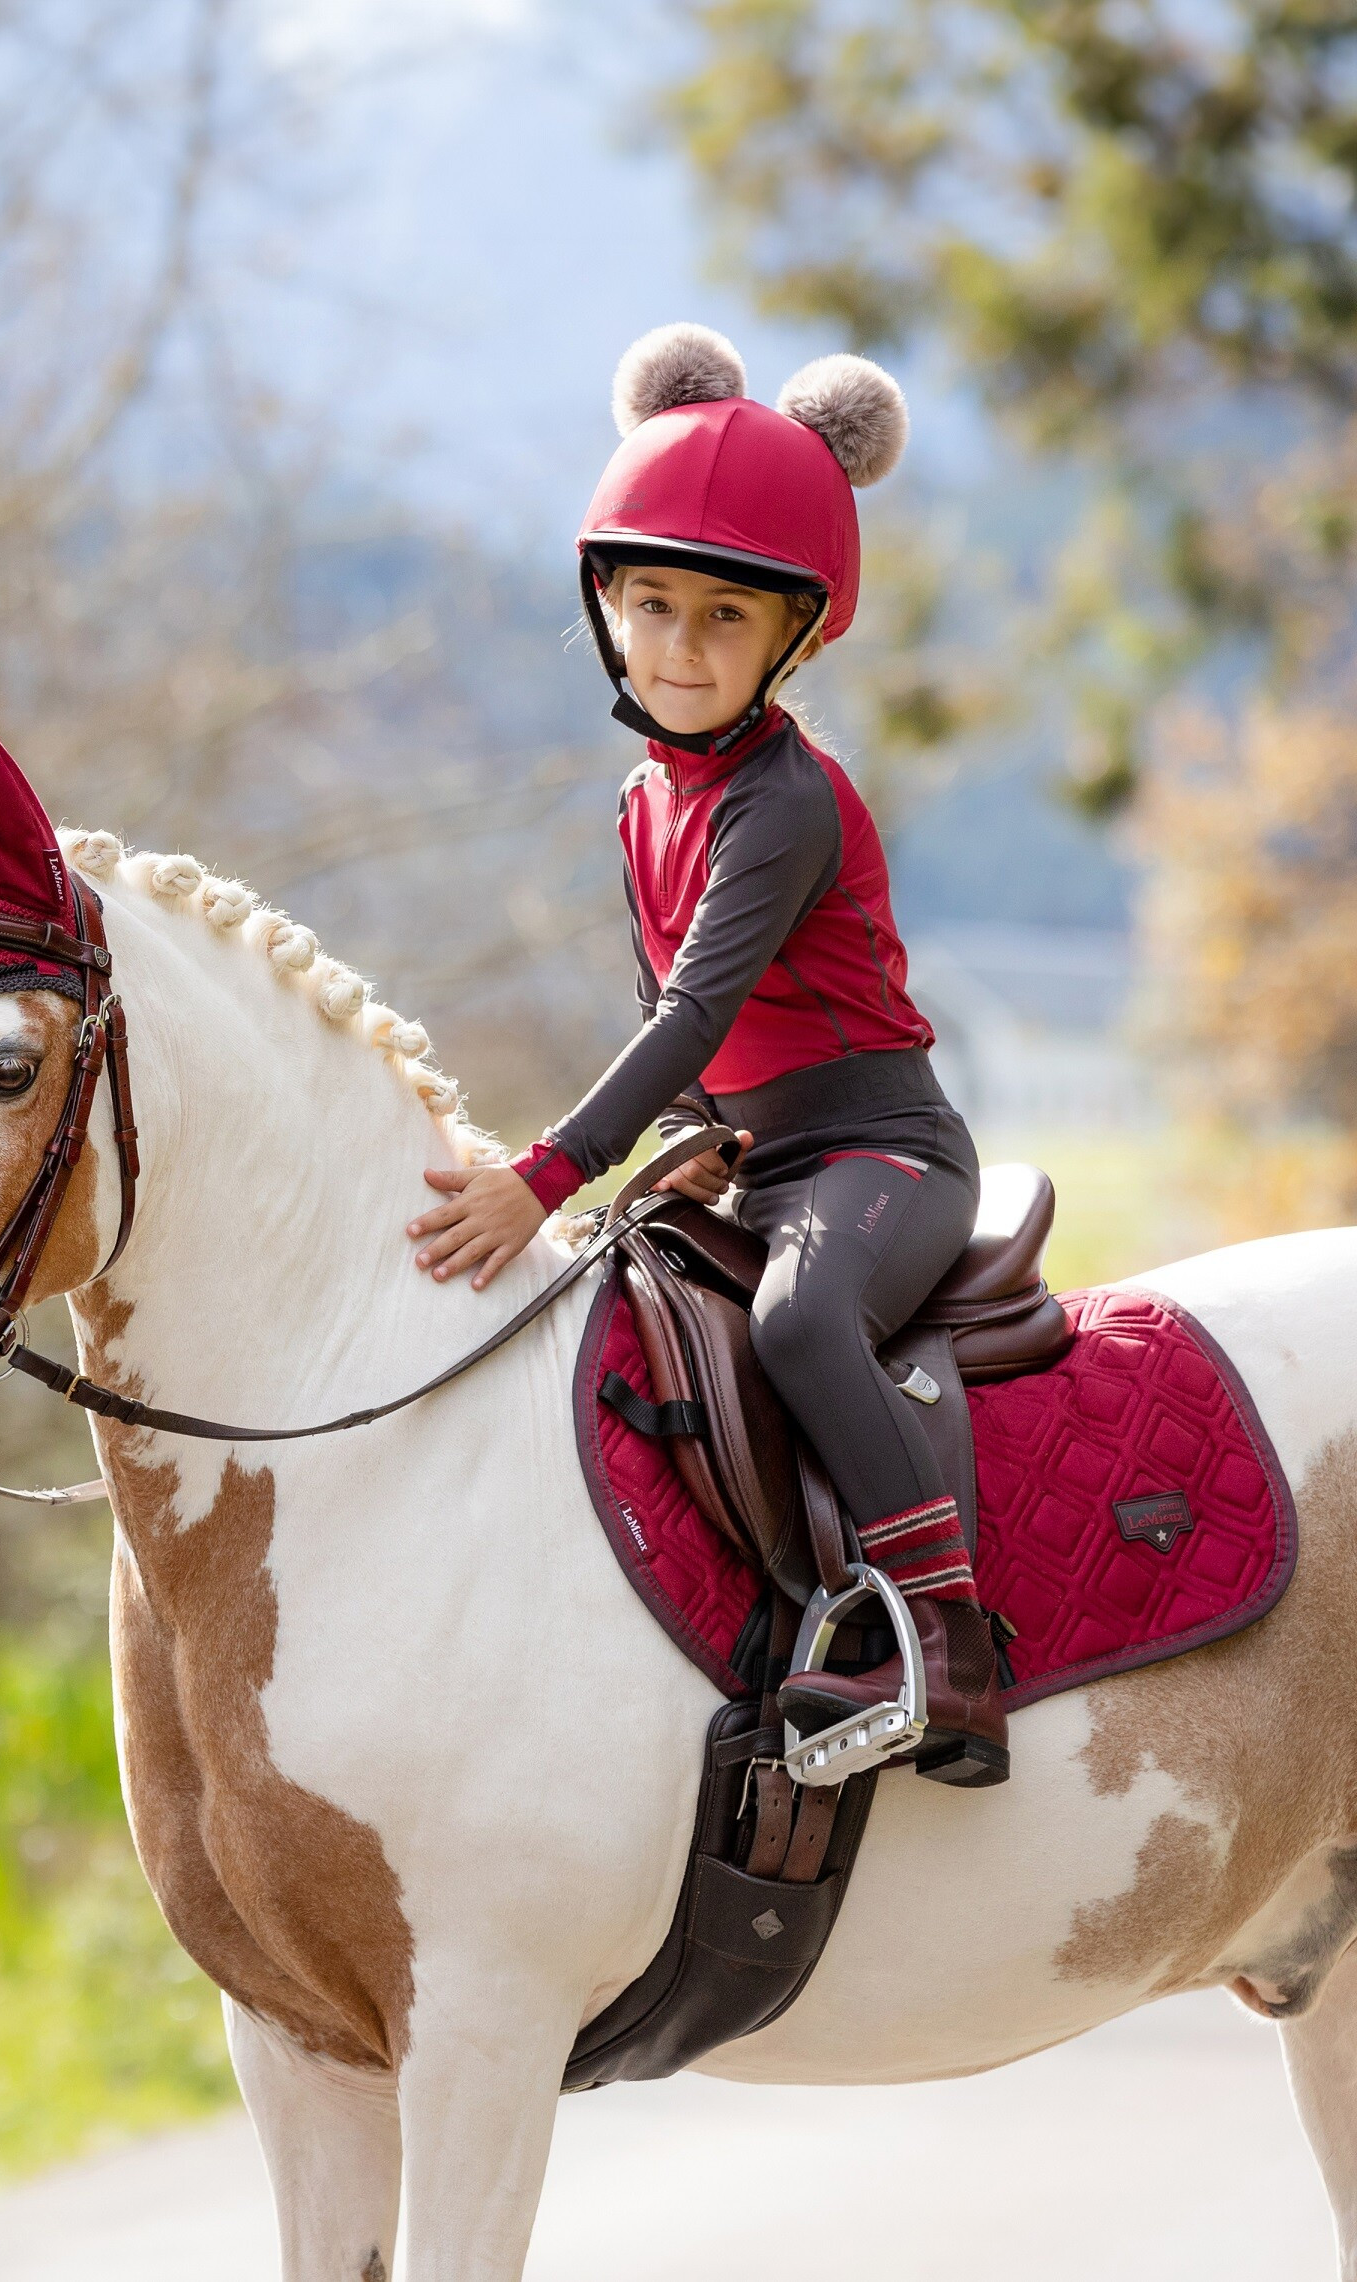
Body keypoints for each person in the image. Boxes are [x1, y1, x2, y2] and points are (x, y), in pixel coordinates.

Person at [405, 324, 1008, 1787]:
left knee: (803, 1323)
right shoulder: (641, 804)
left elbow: (690, 1011)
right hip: (762, 1155)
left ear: (794, 635)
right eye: (652, 603)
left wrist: (542, 1173)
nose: (678, 648)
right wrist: (674, 1146)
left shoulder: (783, 804)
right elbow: (679, 1052)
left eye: (724, 619)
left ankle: (947, 1646)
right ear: (605, 600)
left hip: (882, 1155)